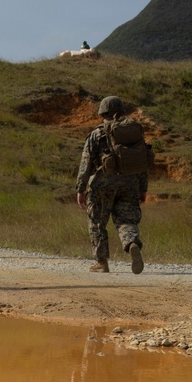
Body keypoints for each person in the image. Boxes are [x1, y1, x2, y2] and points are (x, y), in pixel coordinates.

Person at [75, 96, 149, 274]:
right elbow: (142, 162)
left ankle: (102, 262)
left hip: (102, 184)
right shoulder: (132, 133)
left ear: (102, 112)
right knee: (126, 220)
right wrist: (143, 188)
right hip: (130, 183)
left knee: (97, 222)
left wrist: (80, 189)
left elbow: (85, 164)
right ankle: (131, 243)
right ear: (122, 111)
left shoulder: (96, 134)